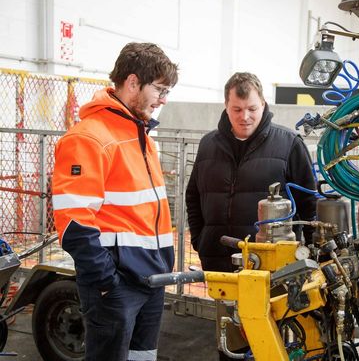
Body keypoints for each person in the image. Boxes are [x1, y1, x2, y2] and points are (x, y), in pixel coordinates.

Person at [52, 42, 178, 361]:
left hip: (151, 278)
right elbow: (75, 222)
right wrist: (106, 283)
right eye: (160, 89)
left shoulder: (140, 136)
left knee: (142, 358)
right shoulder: (89, 138)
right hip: (118, 286)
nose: (163, 100)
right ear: (133, 82)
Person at [185, 72, 317, 359]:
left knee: (272, 343)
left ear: (263, 104)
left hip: (272, 270)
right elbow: (193, 196)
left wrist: (310, 255)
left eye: (252, 109)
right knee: (230, 344)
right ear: (226, 106)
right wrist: (200, 239)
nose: (245, 116)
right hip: (221, 264)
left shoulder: (289, 144)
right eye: (237, 109)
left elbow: (310, 206)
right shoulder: (209, 144)